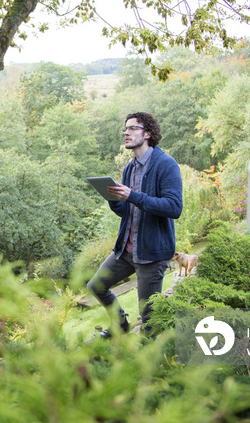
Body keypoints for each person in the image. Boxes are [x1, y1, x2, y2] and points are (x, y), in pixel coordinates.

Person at [87, 112, 183, 338]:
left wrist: (132, 196)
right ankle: (120, 324)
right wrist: (113, 199)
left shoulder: (166, 165)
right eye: (125, 130)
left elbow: (173, 207)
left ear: (147, 133)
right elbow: (127, 211)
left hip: (152, 254)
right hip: (127, 250)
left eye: (132, 128)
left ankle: (152, 362)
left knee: (149, 317)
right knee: (96, 286)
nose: (126, 133)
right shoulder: (130, 168)